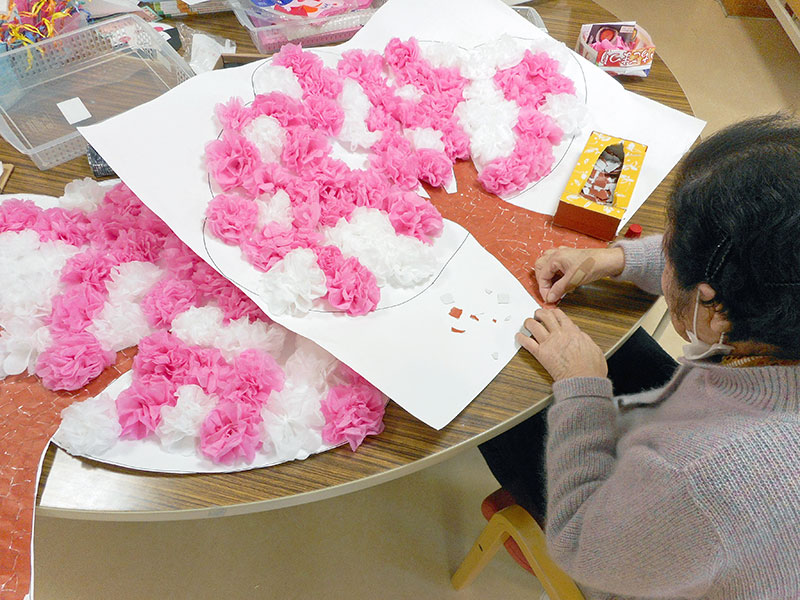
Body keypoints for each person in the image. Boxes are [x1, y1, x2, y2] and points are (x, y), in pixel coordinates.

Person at [479, 114, 800, 599]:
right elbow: (740, 260)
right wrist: (620, 259)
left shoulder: (701, 476)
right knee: (619, 352)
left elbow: (580, 547)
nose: (661, 251)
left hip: (635, 553)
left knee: (503, 407)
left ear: (717, 310)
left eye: (670, 251)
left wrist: (582, 388)